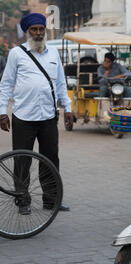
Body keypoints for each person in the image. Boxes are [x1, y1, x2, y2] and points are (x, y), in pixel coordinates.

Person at [0, 13, 73, 213]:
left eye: (41, 29)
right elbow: (6, 84)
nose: (39, 33)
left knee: (50, 159)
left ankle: (51, 200)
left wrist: (68, 108)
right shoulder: (16, 53)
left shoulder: (53, 53)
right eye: (35, 29)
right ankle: (22, 201)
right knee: (22, 161)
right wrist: (2, 112)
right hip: (23, 117)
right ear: (27, 32)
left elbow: (60, 83)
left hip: (48, 116)